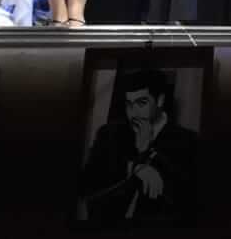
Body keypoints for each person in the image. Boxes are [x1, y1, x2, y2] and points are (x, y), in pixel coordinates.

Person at [78, 68, 199, 225]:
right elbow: (86, 184)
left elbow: (188, 198)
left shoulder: (188, 141)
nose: (133, 113)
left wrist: (147, 153)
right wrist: (132, 167)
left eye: (142, 103)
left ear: (160, 100)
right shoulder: (109, 133)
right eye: (129, 104)